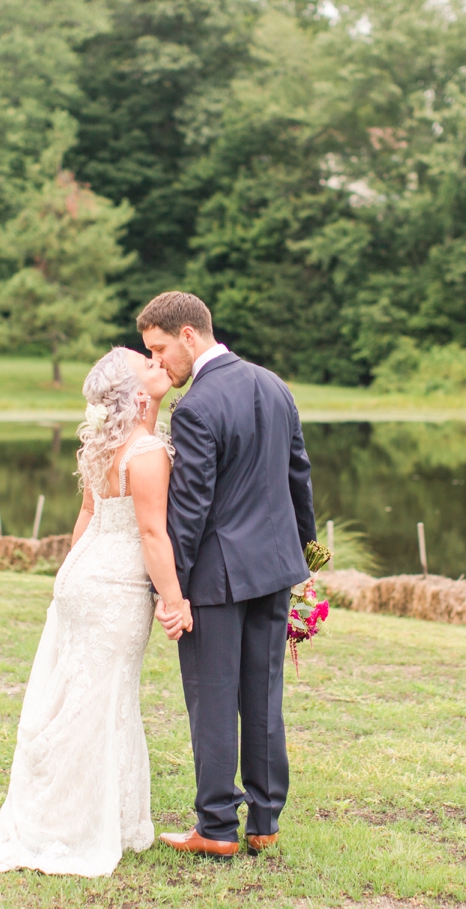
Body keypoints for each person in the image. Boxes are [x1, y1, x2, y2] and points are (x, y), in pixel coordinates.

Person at [0, 346, 191, 877]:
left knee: (83, 697)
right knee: (100, 701)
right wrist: (173, 601)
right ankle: (73, 826)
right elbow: (152, 534)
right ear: (132, 393)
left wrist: (65, 580)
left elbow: (86, 514)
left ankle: (92, 816)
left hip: (81, 577)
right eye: (144, 364)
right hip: (116, 588)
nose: (156, 364)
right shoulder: (147, 452)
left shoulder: (105, 447)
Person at [138, 292, 317, 858]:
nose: (159, 363)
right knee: (264, 697)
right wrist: (305, 558)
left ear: (188, 335)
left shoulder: (194, 407)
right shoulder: (274, 385)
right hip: (274, 571)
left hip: (216, 580)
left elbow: (188, 511)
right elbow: (299, 478)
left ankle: (215, 828)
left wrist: (173, 591)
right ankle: (265, 821)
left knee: (213, 699)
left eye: (160, 349)